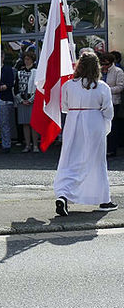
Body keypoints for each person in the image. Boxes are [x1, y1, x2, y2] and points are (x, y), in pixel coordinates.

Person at [54, 52, 117, 215]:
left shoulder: (68, 85)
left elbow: (65, 107)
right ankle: (104, 199)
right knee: (96, 162)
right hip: (94, 122)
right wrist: (104, 126)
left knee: (70, 160)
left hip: (73, 122)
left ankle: (63, 194)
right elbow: (109, 111)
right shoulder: (102, 87)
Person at [99, 51, 123, 157]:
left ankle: (112, 149)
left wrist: (106, 90)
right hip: (100, 103)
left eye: (107, 64)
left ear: (112, 63)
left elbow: (120, 87)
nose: (104, 66)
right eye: (103, 64)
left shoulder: (118, 71)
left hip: (113, 101)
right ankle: (103, 148)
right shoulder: (99, 71)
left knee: (112, 126)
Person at [14, 51, 39, 152]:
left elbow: (39, 87)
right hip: (22, 101)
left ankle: (35, 145)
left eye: (28, 59)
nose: (26, 61)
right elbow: (16, 88)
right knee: (25, 124)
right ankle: (27, 145)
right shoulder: (20, 72)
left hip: (33, 100)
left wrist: (31, 99)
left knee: (34, 124)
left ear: (32, 60)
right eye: (25, 59)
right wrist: (21, 100)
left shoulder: (37, 71)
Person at [0, 53, 17, 153]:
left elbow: (10, 83)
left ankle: (6, 144)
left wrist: (2, 87)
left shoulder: (8, 69)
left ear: (3, 57)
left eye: (0, 56)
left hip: (4, 99)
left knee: (4, 123)